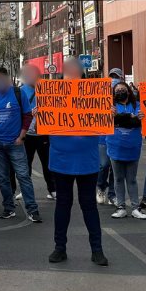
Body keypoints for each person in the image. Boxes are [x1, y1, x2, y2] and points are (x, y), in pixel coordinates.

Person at [47, 57, 108, 267]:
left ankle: (97, 250)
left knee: (89, 205)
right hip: (61, 161)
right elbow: (38, 130)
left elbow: (104, 125)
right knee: (63, 205)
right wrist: (40, 116)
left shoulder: (94, 95)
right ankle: (59, 247)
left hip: (87, 162)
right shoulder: (52, 96)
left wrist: (109, 115)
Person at [0, 67, 40, 222]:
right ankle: (9, 208)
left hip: (16, 143)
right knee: (3, 178)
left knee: (23, 176)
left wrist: (21, 137)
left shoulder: (18, 93)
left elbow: (27, 115)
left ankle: (32, 209)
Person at [107, 81, 146, 220]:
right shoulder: (110, 107)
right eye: (117, 90)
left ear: (129, 91)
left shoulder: (138, 106)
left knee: (131, 179)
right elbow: (110, 120)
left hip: (133, 148)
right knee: (118, 179)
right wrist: (130, 117)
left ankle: (135, 208)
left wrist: (119, 118)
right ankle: (121, 207)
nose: (120, 91)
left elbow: (137, 122)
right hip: (115, 147)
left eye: (123, 89)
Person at [19, 63, 55, 200]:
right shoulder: (21, 91)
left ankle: (52, 189)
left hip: (44, 133)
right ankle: (25, 190)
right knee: (25, 163)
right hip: (27, 133)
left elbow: (57, 106)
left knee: (47, 163)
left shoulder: (48, 89)